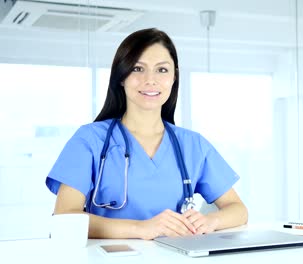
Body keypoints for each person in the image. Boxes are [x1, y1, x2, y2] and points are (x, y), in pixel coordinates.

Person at [45, 28, 248, 240]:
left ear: (173, 77)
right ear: (121, 77)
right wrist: (141, 229)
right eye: (137, 68)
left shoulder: (192, 144)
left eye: (162, 70)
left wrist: (210, 221)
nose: (150, 80)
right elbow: (65, 217)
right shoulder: (90, 140)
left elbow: (238, 210)